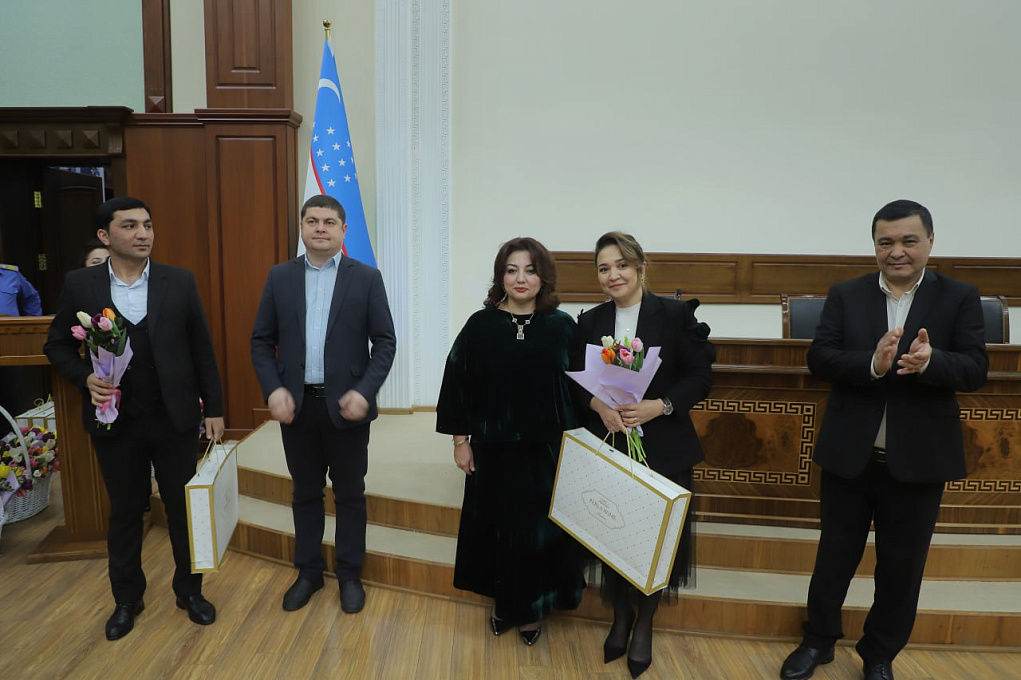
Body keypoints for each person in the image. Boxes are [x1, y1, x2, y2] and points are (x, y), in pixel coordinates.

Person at [779, 200, 988, 680]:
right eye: (885, 242)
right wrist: (871, 364)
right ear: (874, 245)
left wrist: (932, 362)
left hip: (919, 461)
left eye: (908, 241)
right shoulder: (846, 294)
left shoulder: (959, 296)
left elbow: (976, 368)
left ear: (930, 241)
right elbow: (820, 357)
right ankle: (818, 641)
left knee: (902, 566)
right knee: (834, 556)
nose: (897, 251)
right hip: (850, 454)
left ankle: (879, 654)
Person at [43, 196, 226, 641]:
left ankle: (190, 591)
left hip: (174, 417)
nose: (143, 233)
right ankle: (127, 599)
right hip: (115, 420)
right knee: (126, 511)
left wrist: (216, 409)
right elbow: (57, 344)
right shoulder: (81, 283)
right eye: (130, 226)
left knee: (183, 509)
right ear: (105, 236)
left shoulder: (178, 281)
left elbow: (202, 349)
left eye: (147, 225)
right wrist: (85, 378)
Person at [571, 231, 714, 679]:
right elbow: (573, 382)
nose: (613, 275)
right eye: (603, 268)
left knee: (656, 540)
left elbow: (700, 377)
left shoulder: (674, 315)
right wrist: (599, 406)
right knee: (614, 531)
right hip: (611, 444)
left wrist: (660, 406)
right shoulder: (590, 321)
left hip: (664, 448)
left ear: (640, 267)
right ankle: (620, 615)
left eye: (621, 265)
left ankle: (645, 621)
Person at [251, 194, 396, 615]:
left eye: (329, 222)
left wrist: (364, 391)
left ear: (343, 230)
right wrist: (273, 389)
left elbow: (385, 343)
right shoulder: (280, 277)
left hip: (347, 408)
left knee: (350, 493)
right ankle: (309, 572)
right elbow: (261, 341)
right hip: (297, 408)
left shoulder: (366, 278)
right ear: (301, 227)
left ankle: (349, 574)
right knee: (305, 492)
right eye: (312, 220)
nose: (320, 228)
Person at [436, 237, 585, 647]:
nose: (521, 278)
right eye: (512, 270)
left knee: (540, 533)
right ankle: (504, 602)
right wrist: (460, 441)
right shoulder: (480, 325)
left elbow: (581, 388)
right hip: (494, 447)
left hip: (547, 451)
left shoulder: (563, 327)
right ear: (501, 277)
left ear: (543, 277)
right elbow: (457, 383)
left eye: (530, 270)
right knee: (497, 528)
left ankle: (533, 608)